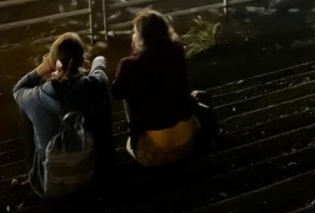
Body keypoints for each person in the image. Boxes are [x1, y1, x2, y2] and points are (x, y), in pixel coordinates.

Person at [14, 32, 113, 198]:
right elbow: (100, 64)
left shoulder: (37, 96)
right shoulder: (95, 84)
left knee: (24, 108)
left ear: (54, 64)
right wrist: (94, 59)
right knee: (102, 96)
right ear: (81, 61)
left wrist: (42, 69)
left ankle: (32, 169)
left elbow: (18, 89)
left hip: (50, 189)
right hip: (93, 175)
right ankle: (106, 161)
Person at [110, 10, 203, 167]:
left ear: (141, 38)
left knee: (127, 94)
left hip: (157, 154)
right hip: (191, 141)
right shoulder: (177, 51)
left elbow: (116, 93)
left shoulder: (129, 65)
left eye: (134, 32)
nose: (132, 35)